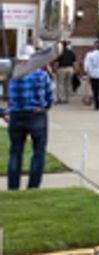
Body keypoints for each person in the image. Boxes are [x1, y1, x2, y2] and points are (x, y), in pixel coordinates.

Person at [3, 46, 55, 190]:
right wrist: (45, 107)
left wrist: (6, 111)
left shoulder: (13, 75)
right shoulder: (41, 75)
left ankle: (13, 186)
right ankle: (33, 186)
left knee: (15, 152)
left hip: (16, 115)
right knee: (38, 151)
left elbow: (9, 97)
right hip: (36, 114)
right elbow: (50, 97)